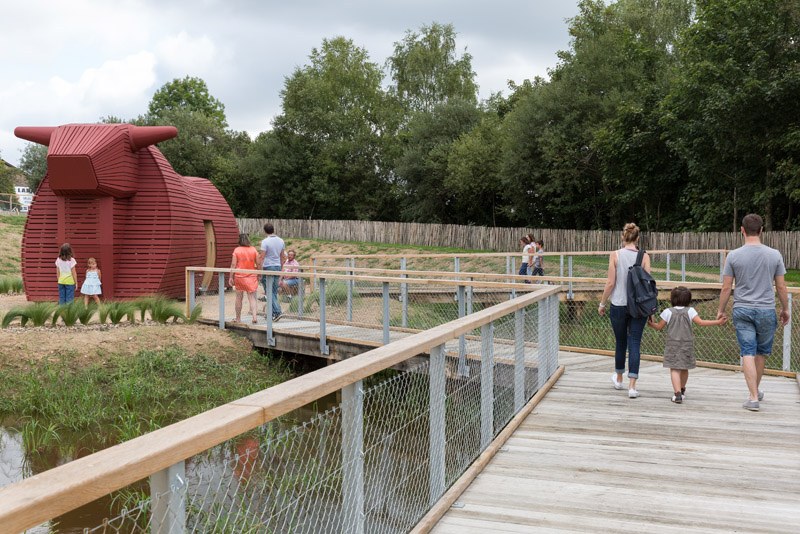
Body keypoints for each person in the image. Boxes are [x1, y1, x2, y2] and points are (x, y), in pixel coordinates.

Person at [716, 214, 789, 411]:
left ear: (742, 230)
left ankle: (754, 397)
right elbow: (781, 287)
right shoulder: (774, 254)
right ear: (761, 230)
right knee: (761, 352)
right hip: (766, 310)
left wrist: (721, 310)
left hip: (742, 309)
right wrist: (785, 309)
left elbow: (726, 287)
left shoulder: (733, 256)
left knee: (747, 351)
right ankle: (754, 392)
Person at [647, 286, 727, 403]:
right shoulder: (690, 311)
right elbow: (701, 322)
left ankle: (677, 393)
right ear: (688, 299)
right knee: (685, 368)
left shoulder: (667, 312)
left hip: (672, 345)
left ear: (673, 298)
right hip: (686, 344)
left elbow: (659, 326)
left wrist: (650, 324)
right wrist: (717, 322)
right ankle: (682, 389)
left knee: (674, 369)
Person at [598, 223, 650, 398]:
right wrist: (650, 311)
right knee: (634, 342)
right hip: (639, 307)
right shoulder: (644, 256)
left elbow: (610, 283)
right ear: (637, 238)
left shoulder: (615, 255)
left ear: (623, 237)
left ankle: (619, 379)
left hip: (618, 304)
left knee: (621, 342)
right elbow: (647, 285)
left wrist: (602, 303)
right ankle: (632, 387)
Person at [257, 223, 286, 322]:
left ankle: (277, 312)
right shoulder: (281, 241)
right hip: (277, 266)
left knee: (268, 292)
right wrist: (281, 267)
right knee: (273, 291)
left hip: (268, 267)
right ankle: (272, 313)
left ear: (265, 231)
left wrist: (260, 270)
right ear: (273, 229)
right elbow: (282, 256)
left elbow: (262, 257)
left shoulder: (265, 242)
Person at [229, 233, 259, 324]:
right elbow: (258, 263)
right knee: (252, 297)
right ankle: (254, 317)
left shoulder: (237, 250)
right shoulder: (253, 250)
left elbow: (233, 264)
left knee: (239, 297)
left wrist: (230, 277)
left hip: (239, 276)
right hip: (251, 276)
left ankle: (238, 318)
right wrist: (259, 273)